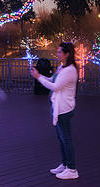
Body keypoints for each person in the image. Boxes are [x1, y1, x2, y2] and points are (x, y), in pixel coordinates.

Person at [30, 42, 79, 180]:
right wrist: (39, 76)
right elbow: (52, 80)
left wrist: (38, 78)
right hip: (58, 107)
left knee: (66, 139)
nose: (57, 54)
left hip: (64, 108)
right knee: (61, 138)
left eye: (59, 52)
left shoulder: (70, 70)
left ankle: (72, 168)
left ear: (67, 54)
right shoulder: (62, 68)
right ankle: (65, 164)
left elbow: (55, 86)